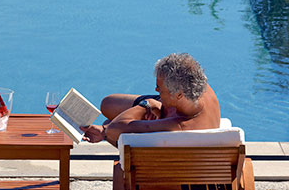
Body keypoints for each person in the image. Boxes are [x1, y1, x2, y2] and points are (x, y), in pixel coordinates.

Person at [82, 53, 220, 145]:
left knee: (109, 127)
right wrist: (159, 103)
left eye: (159, 88)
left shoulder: (177, 126)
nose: (156, 90)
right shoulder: (199, 86)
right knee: (108, 104)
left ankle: (104, 133)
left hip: (164, 146)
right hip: (172, 108)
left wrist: (147, 105)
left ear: (178, 95)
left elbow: (114, 129)